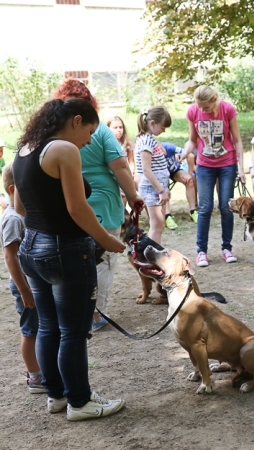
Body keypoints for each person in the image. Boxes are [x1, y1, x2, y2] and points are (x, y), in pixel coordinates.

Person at [14, 98, 126, 420]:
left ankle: (57, 396)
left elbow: (19, 207)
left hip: (32, 248)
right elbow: (78, 209)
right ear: (76, 121)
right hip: (65, 250)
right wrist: (107, 240)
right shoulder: (64, 150)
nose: (89, 140)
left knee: (48, 327)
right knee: (75, 332)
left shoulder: (24, 148)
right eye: (90, 131)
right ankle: (81, 402)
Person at [52, 80, 141, 332]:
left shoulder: (52, 132)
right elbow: (121, 166)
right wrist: (133, 196)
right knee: (102, 261)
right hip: (102, 206)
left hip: (68, 206)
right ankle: (94, 315)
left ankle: (72, 311)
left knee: (72, 262)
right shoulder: (99, 130)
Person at [183, 85, 245, 267]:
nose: (202, 110)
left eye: (206, 107)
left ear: (215, 99)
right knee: (205, 207)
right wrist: (184, 152)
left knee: (227, 207)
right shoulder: (193, 111)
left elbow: (238, 140)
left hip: (227, 164)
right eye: (200, 106)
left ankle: (227, 248)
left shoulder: (227, 109)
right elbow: (192, 140)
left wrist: (241, 169)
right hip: (204, 165)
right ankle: (201, 251)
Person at [1, 165, 41, 394]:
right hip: (24, 286)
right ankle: (35, 377)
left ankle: (40, 369)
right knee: (30, 330)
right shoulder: (13, 219)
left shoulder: (24, 213)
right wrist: (24, 290)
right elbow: (10, 256)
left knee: (39, 327)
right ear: (14, 189)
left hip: (33, 284)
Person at [136, 107, 172, 244]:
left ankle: (153, 256)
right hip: (152, 189)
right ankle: (151, 258)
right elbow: (146, 170)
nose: (164, 130)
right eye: (162, 127)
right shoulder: (146, 141)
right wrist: (161, 190)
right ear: (152, 123)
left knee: (159, 225)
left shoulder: (150, 140)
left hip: (157, 189)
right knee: (157, 225)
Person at [161, 142, 198, 224]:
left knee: (190, 181)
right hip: (161, 174)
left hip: (174, 170)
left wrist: (189, 174)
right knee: (164, 187)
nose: (162, 153)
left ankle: (193, 211)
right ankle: (167, 216)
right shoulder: (151, 154)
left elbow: (190, 156)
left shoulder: (169, 147)